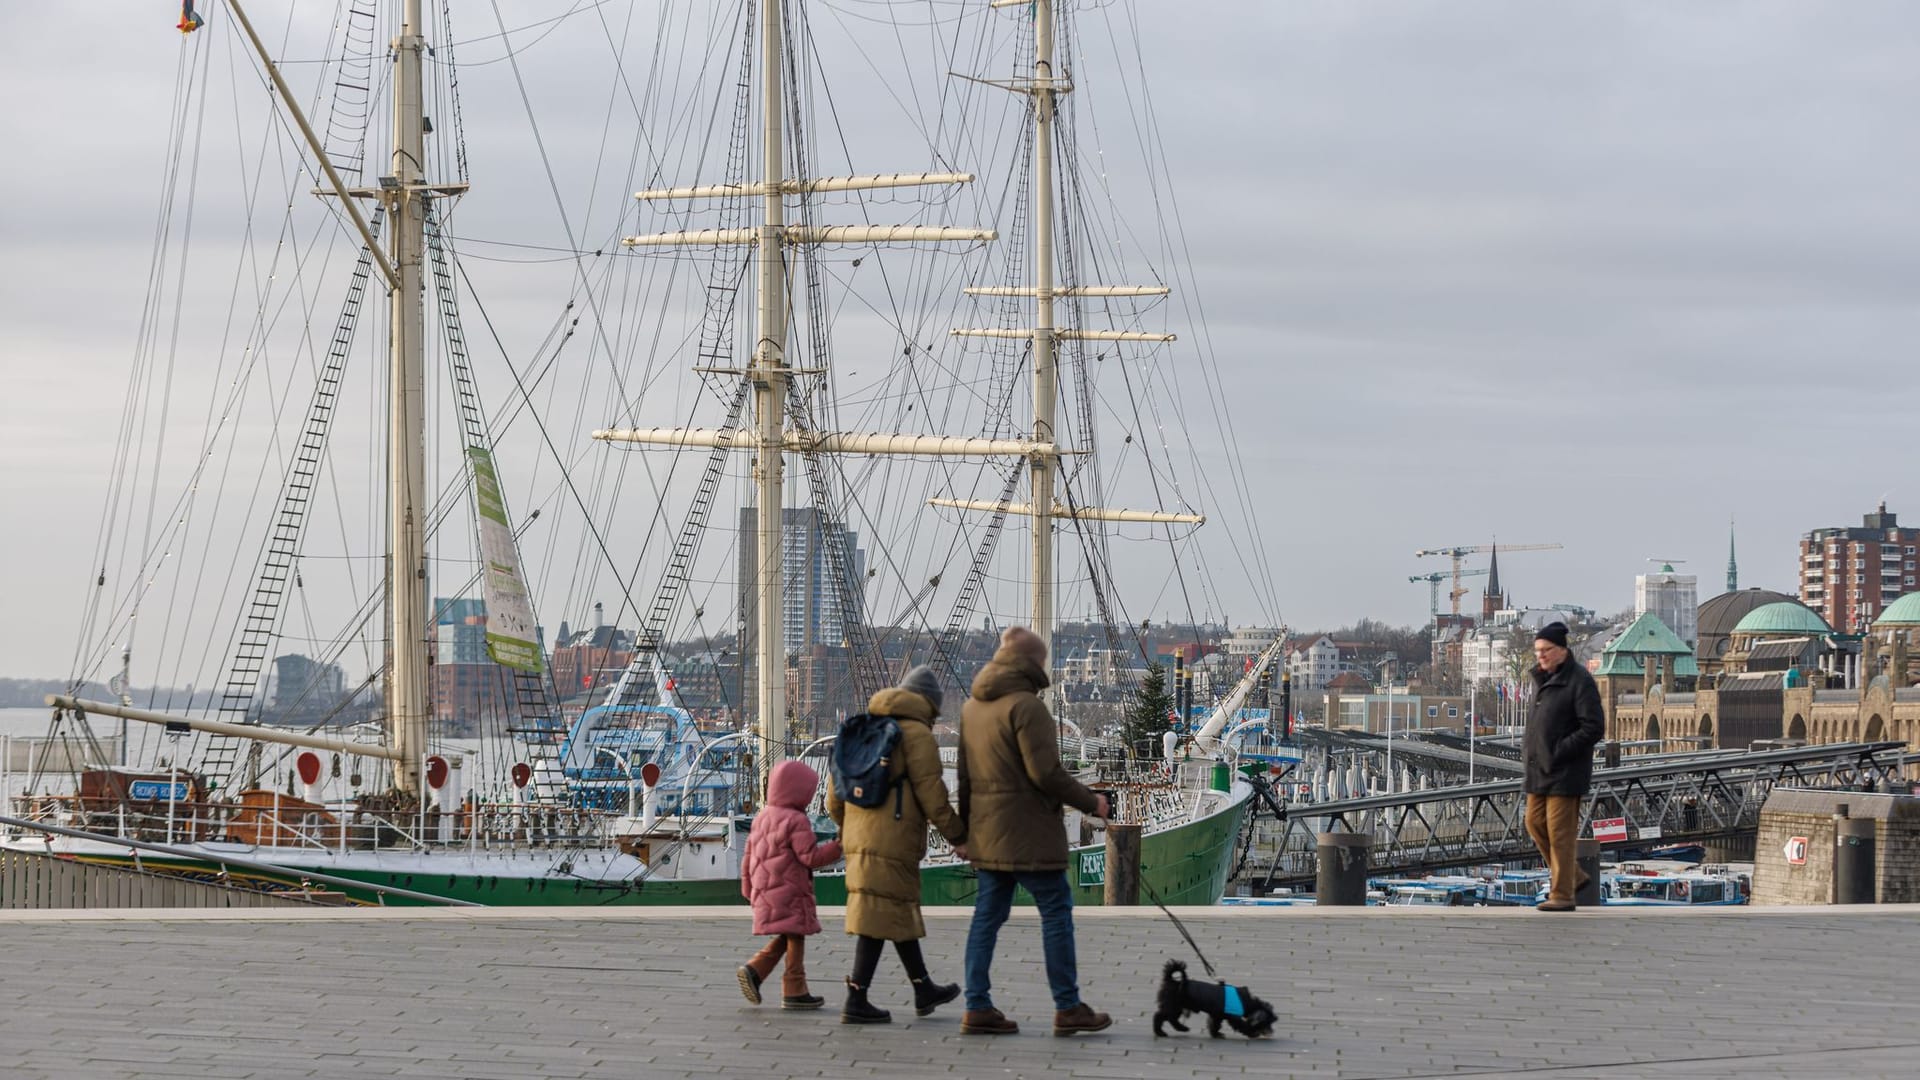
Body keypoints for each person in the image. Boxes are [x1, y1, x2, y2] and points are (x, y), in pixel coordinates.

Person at [956, 626, 1112, 1037]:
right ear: (1031, 665)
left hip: (988, 834)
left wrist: (964, 834)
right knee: (1056, 911)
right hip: (1030, 832)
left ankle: (976, 1005)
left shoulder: (972, 708)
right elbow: (1046, 773)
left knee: (986, 917)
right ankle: (1067, 1005)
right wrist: (1091, 801)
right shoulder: (1028, 708)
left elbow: (965, 778)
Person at [826, 665, 970, 1024]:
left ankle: (923, 988)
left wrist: (849, 828)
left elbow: (834, 797)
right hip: (892, 838)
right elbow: (933, 796)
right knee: (879, 917)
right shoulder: (916, 735)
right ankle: (856, 999)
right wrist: (958, 836)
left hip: (860, 836)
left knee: (895, 910)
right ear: (928, 705)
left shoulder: (864, 726)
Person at [737, 759, 843, 1008]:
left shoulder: (762, 817)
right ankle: (789, 987)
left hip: (765, 889)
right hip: (790, 890)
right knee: (795, 934)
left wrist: (747, 888)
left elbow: (748, 856)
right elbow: (811, 857)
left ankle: (762, 972)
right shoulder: (796, 820)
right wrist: (839, 846)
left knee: (791, 933)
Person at [1522, 620, 1605, 911]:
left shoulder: (1579, 680)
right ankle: (1573, 874)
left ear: (1561, 651)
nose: (1540, 656)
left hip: (1565, 770)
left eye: (1546, 650)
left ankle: (1562, 894)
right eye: (1537, 651)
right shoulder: (1542, 680)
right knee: (1533, 823)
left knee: (1559, 831)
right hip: (1539, 769)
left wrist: (1560, 751)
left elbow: (1594, 726)